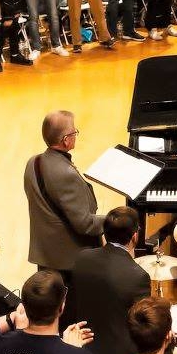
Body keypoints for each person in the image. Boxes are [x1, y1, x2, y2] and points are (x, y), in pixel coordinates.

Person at [69, 206, 152, 354]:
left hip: (82, 348)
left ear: (105, 234)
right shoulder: (138, 276)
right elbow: (142, 327)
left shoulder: (82, 258)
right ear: (134, 237)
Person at [25, 110, 104, 278]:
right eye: (74, 132)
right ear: (66, 140)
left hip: (46, 253)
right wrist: (114, 218)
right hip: (68, 260)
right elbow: (85, 224)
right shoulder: (65, 173)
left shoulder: (33, 162)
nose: (75, 135)